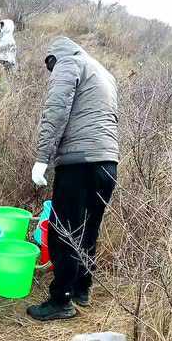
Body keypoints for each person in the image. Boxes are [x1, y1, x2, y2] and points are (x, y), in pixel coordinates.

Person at [27, 37, 119, 321]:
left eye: (50, 67)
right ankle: (82, 288)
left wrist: (42, 158)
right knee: (90, 227)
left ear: (54, 58)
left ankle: (61, 300)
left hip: (79, 163)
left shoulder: (68, 62)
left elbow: (56, 110)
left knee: (63, 230)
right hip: (108, 162)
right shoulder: (103, 71)